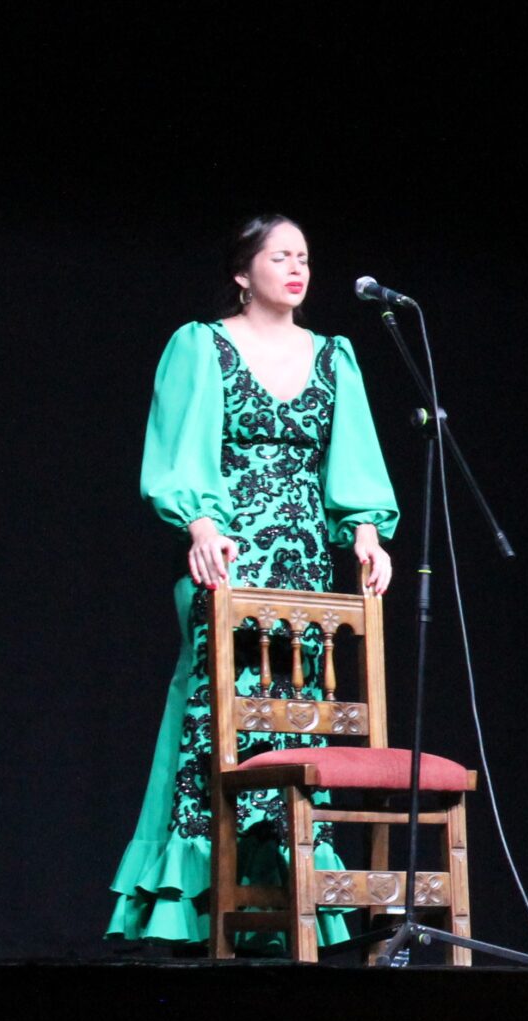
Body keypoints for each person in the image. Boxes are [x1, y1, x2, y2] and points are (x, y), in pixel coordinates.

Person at [105, 213, 399, 952]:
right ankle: (205, 905)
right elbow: (182, 451)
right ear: (244, 271)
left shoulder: (334, 355)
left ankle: (290, 901)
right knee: (224, 722)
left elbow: (354, 462)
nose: (297, 267)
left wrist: (367, 533)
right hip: (231, 563)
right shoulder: (204, 345)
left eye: (304, 255)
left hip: (303, 573)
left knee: (298, 716)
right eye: (280, 255)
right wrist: (200, 524)